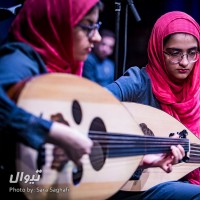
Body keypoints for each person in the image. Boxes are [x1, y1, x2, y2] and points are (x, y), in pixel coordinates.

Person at [0, 0, 185, 198]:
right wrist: (52, 131)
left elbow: (81, 144)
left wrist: (140, 159)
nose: (96, 37)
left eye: (96, 27)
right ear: (57, 22)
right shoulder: (19, 60)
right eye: (88, 26)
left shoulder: (65, 70)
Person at [106, 11, 200, 200]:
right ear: (158, 49)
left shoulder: (197, 89)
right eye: (175, 53)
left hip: (186, 180)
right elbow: (93, 101)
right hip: (140, 184)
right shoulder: (139, 82)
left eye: (192, 53)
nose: (184, 62)